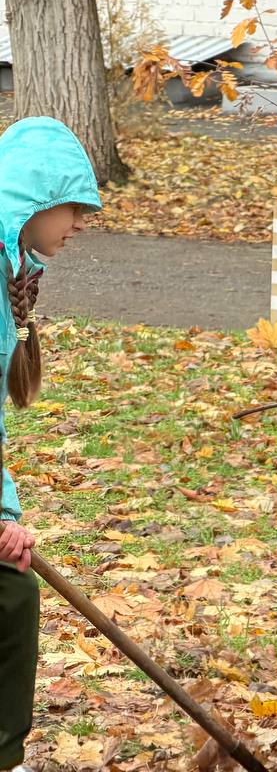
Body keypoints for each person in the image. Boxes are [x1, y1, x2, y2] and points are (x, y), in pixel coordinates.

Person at [0, 117, 103, 772]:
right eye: (73, 206)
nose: (79, 223)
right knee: (9, 599)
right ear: (34, 198)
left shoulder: (11, 274)